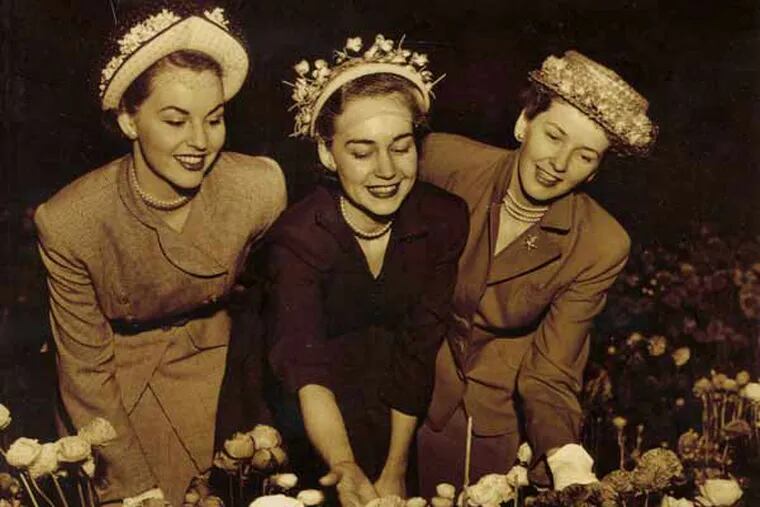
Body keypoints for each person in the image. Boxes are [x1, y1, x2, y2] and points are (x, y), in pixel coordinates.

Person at [34, 4, 286, 505]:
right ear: (129, 119)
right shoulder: (71, 222)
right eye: (175, 120)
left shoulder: (259, 189)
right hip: (117, 396)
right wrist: (133, 487)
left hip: (223, 386)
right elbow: (85, 373)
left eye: (214, 119)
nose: (200, 141)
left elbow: (276, 307)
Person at [415, 50, 658, 494]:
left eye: (585, 156)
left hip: (482, 423)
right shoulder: (441, 161)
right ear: (524, 123)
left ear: (595, 170)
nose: (560, 163)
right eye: (553, 136)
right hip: (389, 394)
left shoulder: (600, 243)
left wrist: (565, 458)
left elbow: (552, 371)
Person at [265, 35, 469, 506]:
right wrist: (343, 464)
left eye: (401, 147)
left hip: (398, 408)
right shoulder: (296, 239)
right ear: (327, 153)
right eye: (361, 152)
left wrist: (395, 467)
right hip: (312, 417)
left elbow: (418, 349)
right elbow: (305, 368)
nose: (386, 170)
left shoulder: (443, 219)